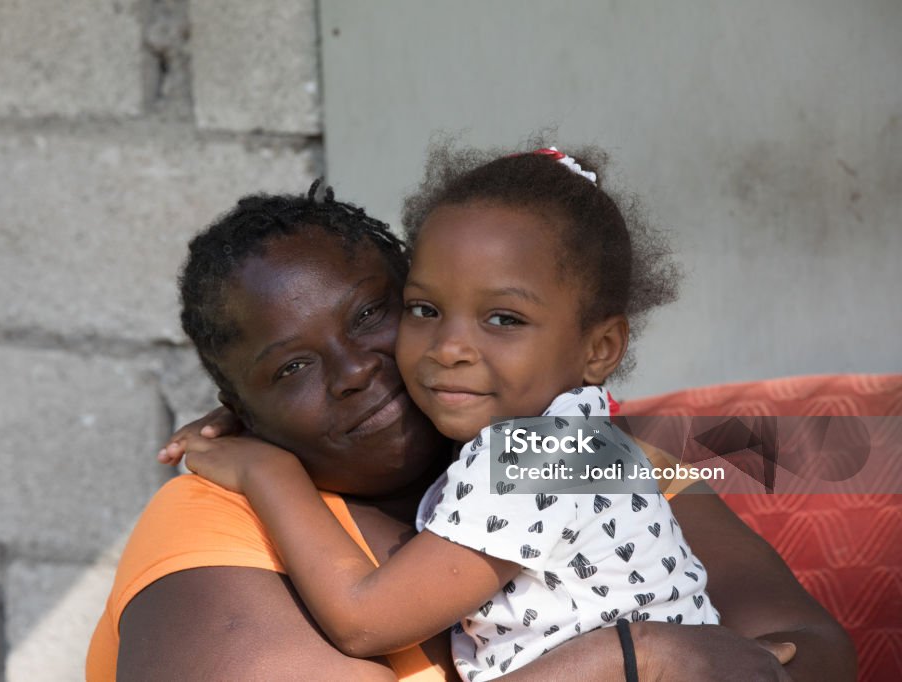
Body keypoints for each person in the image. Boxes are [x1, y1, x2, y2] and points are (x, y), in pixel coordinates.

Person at [87, 177, 855, 681]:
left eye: (374, 314)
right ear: (241, 414)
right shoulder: (216, 521)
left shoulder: (570, 457)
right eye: (290, 370)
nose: (353, 370)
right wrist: (633, 657)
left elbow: (809, 652)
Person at [177, 146, 720, 680]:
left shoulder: (543, 458)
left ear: (599, 349)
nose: (449, 347)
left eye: (504, 318)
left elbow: (364, 621)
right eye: (426, 310)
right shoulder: (571, 435)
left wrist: (265, 471)